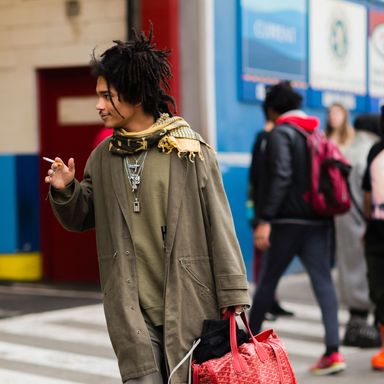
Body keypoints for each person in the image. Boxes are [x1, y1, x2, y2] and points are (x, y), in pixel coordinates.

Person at [44, 29, 249, 384]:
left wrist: (232, 292)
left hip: (190, 300)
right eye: (99, 96)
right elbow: (82, 216)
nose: (99, 105)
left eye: (107, 96)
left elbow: (220, 222)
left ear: (136, 94)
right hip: (130, 307)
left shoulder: (188, 150)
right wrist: (66, 190)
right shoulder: (103, 158)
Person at [248, 81, 346, 375]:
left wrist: (265, 219)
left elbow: (281, 175)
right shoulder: (313, 131)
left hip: (288, 221)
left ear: (273, 109)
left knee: (267, 282)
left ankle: (246, 345)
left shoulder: (281, 133)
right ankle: (333, 352)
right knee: (324, 284)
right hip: (319, 220)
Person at [326, 106, 381, 348]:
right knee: (370, 275)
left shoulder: (345, 151)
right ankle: (366, 327)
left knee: (349, 271)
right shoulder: (372, 153)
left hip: (342, 220)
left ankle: (355, 323)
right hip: (368, 223)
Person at [248, 112, 294, 321]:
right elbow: (255, 177)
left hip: (276, 210)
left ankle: (272, 302)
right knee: (263, 260)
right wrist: (256, 213)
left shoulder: (280, 137)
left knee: (274, 261)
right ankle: (262, 304)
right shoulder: (263, 138)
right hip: (263, 210)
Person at [362, 105, 384, 370]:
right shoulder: (375, 151)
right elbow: (368, 191)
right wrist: (367, 227)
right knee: (378, 289)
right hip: (377, 228)